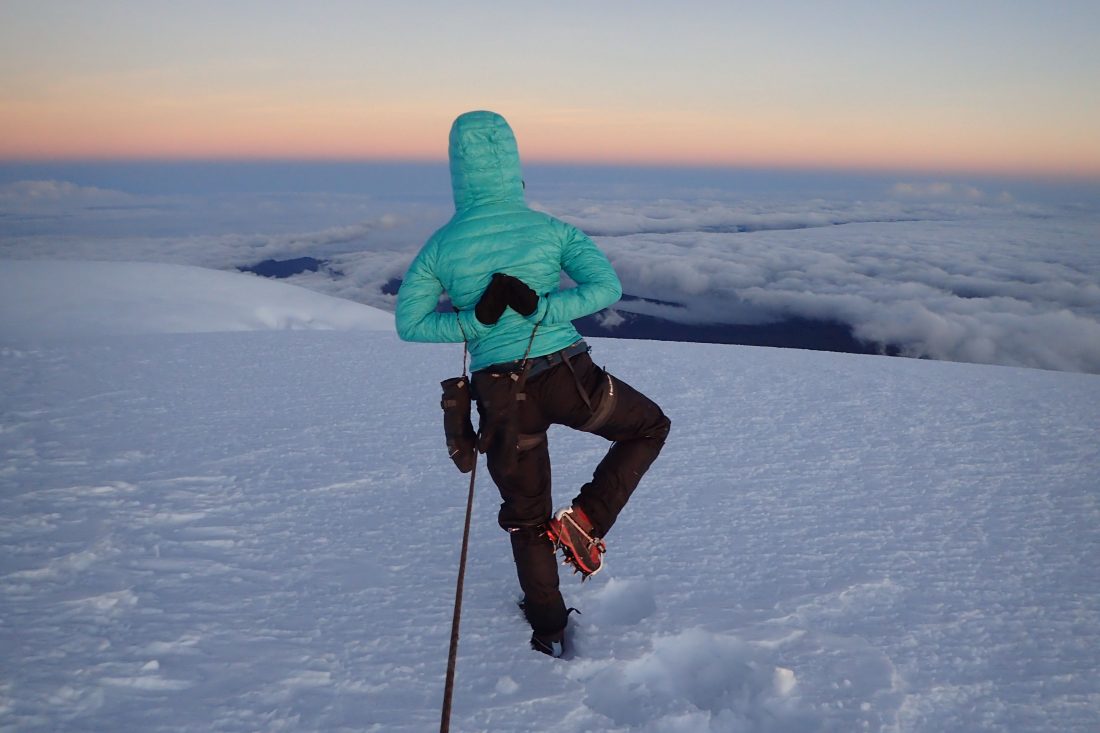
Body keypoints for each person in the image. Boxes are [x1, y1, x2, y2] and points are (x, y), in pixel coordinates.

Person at [395, 110, 670, 657]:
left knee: (525, 519)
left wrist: (477, 321)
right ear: (514, 169)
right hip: (570, 375)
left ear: (457, 173)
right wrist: (543, 307)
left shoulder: (441, 246)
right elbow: (606, 287)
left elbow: (411, 325)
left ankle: (549, 630)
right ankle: (588, 520)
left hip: (501, 395)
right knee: (648, 428)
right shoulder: (551, 229)